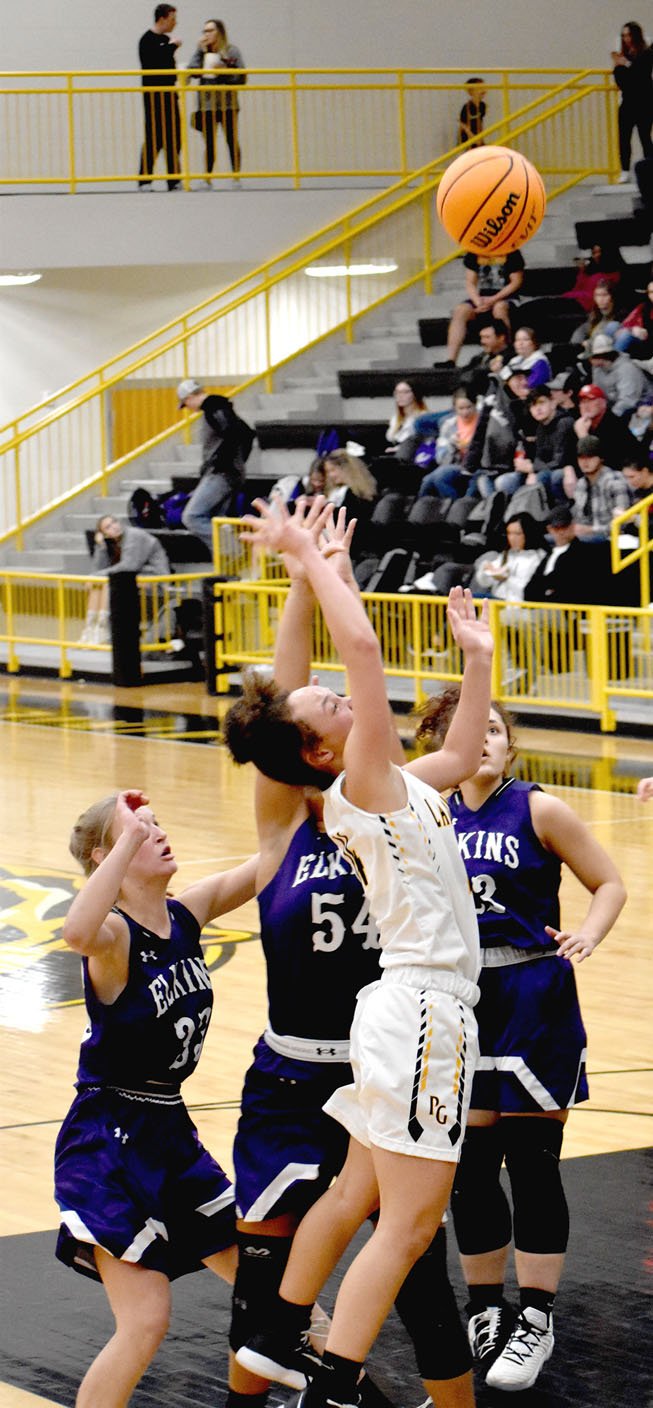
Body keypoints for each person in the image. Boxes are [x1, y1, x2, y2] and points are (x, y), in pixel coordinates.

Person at [225, 496, 494, 1408]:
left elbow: (458, 751)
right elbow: (366, 656)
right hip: (422, 1009)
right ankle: (335, 1382)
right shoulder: (364, 776)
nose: (339, 696)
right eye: (322, 705)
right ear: (318, 746)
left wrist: (478, 660)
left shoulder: (390, 780)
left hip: (400, 1011)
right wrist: (311, 558)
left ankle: (280, 1334)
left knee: (358, 1200)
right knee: (408, 1226)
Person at [416, 691, 626, 1392]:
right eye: (459, 730)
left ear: (509, 745)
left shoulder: (537, 808)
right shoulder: (425, 810)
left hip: (533, 996)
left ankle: (536, 1315)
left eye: (493, 729)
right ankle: (486, 1309)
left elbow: (608, 882)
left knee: (532, 1160)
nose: (479, 739)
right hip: (460, 998)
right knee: (470, 1167)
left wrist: (587, 934)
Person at [54, 788, 258, 1407]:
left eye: (158, 822)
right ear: (105, 856)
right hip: (108, 1140)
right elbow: (75, 930)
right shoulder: (114, 936)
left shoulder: (187, 914)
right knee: (145, 1320)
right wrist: (121, 845)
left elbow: (265, 863)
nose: (156, 831)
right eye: (140, 828)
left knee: (272, 1288)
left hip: (168, 1130)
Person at [176, 378, 253, 551]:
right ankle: (230, 563)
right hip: (228, 472)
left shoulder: (213, 408)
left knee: (192, 517)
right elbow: (247, 434)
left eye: (186, 404)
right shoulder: (221, 408)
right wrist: (238, 461)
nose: (189, 409)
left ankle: (235, 553)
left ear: (189, 398)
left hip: (222, 473)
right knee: (217, 519)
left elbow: (234, 434)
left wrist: (223, 463)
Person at [79, 514, 170, 644]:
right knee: (98, 584)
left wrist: (94, 576)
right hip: (134, 577)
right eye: (108, 527)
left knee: (109, 582)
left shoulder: (134, 535)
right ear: (105, 534)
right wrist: (101, 547)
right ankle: (91, 628)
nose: (114, 527)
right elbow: (97, 570)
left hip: (155, 578)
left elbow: (129, 566)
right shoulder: (114, 541)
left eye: (114, 522)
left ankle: (103, 627)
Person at [188, 19, 246, 183]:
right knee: (209, 143)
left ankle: (236, 176)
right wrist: (200, 52)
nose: (207, 34)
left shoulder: (231, 51)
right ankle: (207, 177)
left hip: (228, 103)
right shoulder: (201, 51)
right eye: (205, 31)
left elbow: (242, 76)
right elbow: (192, 70)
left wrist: (225, 71)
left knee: (231, 140)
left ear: (219, 32)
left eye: (210, 30)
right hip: (207, 104)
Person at [444, 252, 524, 367]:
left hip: (506, 297)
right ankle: (451, 359)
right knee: (460, 310)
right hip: (482, 298)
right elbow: (470, 283)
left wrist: (494, 299)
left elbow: (516, 282)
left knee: (499, 308)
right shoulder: (474, 252)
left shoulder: (512, 253)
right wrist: (477, 301)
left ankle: (506, 353)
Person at [138, 4, 182, 192]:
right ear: (162, 19)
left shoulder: (165, 39)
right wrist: (172, 47)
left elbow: (168, 66)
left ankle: (174, 179)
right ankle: (145, 179)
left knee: (174, 136)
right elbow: (153, 62)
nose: (175, 23)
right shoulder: (147, 40)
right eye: (172, 19)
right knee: (154, 137)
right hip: (154, 95)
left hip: (170, 93)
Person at [417, 388, 479, 499]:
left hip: (475, 465)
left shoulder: (483, 423)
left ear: (475, 405)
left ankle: (455, 505)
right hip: (455, 463)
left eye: (469, 407)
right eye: (461, 408)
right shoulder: (448, 425)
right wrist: (451, 445)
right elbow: (440, 458)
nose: (465, 412)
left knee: (441, 476)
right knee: (427, 481)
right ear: (455, 408)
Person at [611, 21, 653, 181]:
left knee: (645, 136)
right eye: (623, 35)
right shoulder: (623, 56)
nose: (626, 38)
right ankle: (625, 170)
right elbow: (621, 80)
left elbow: (641, 74)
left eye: (628, 35)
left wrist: (626, 65)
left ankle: (649, 168)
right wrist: (622, 66)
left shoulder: (646, 53)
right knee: (624, 137)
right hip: (628, 102)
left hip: (645, 102)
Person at [570, 434, 631, 541]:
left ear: (600, 458)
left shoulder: (615, 481)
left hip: (611, 538)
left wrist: (591, 530)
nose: (585, 462)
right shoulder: (580, 484)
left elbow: (622, 523)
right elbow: (576, 517)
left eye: (590, 457)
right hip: (586, 537)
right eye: (581, 457)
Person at [471, 513, 545, 601]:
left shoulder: (538, 558)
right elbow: (485, 582)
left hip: (521, 607)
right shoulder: (507, 554)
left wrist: (508, 578)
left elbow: (530, 590)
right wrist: (485, 569)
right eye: (509, 533)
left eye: (517, 534)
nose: (512, 538)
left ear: (528, 533)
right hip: (498, 602)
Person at [586, 332, 651, 419]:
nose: (588, 360)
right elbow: (598, 394)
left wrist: (608, 419)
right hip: (615, 410)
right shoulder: (597, 369)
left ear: (599, 357)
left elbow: (628, 401)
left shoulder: (627, 368)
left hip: (640, 409)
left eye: (590, 357)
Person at [570, 279, 624, 352]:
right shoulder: (595, 315)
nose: (601, 299)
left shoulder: (621, 315)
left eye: (605, 295)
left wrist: (590, 343)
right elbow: (581, 333)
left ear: (613, 296)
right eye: (597, 295)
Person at [385, 379, 428, 451]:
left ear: (415, 394)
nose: (400, 396)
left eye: (405, 392)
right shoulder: (395, 418)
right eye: (397, 392)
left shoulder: (424, 417)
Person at [615, 277, 653, 357]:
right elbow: (626, 323)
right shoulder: (644, 307)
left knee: (625, 335)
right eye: (650, 292)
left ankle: (612, 360)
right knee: (613, 326)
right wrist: (632, 329)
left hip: (648, 343)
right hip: (639, 337)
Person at [458, 78, 487, 148]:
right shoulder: (467, 107)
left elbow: (480, 122)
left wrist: (480, 139)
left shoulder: (483, 105)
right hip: (468, 140)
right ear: (471, 92)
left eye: (484, 87)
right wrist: (474, 139)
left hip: (478, 139)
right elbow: (463, 125)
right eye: (479, 88)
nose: (483, 90)